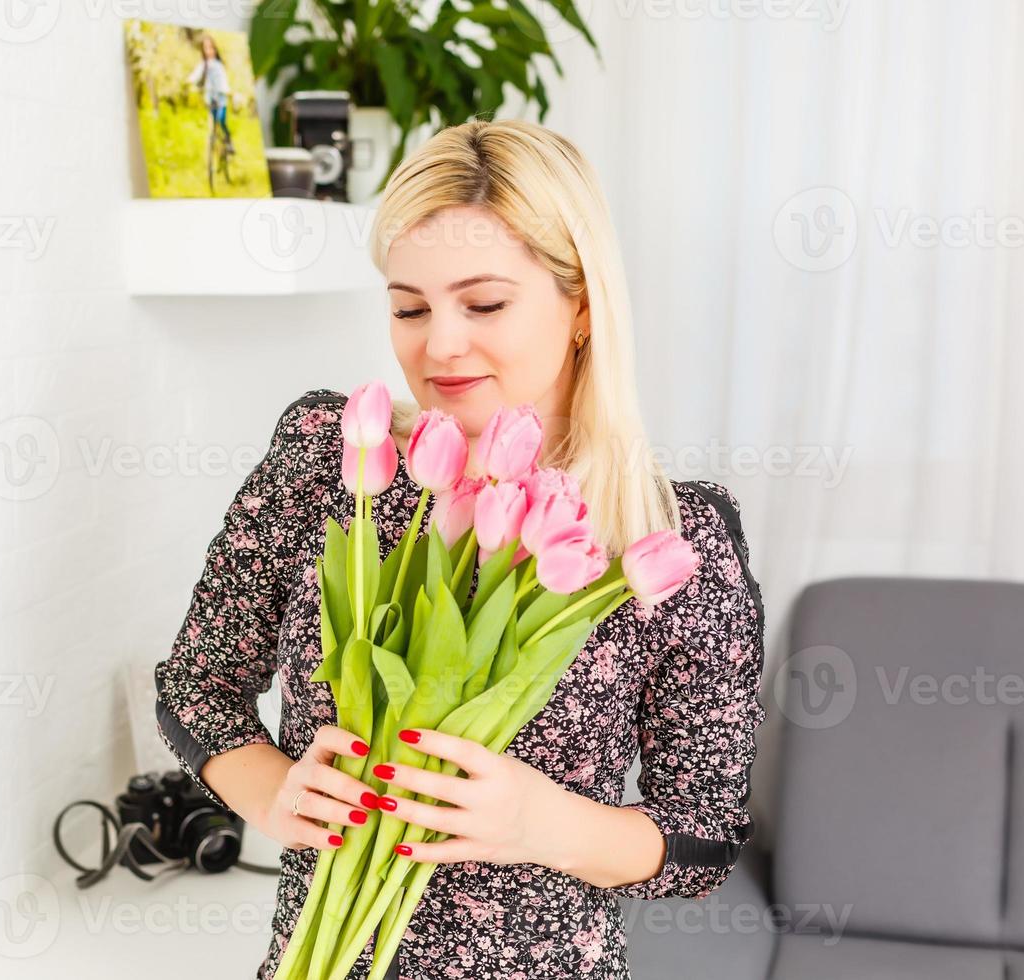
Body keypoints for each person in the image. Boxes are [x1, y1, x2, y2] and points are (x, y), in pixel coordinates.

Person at [153, 118, 767, 979]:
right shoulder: (333, 457)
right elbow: (198, 685)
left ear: (582, 302)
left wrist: (541, 823)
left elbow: (702, 839)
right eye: (408, 306)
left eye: (483, 304)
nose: (436, 344)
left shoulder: (671, 535)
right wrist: (274, 794)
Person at [186, 34, 235, 156]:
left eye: (210, 47)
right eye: (206, 48)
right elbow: (196, 74)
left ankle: (228, 142)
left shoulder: (219, 65)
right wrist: (189, 80)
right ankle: (214, 145)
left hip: (221, 97)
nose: (208, 51)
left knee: (221, 120)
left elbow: (224, 80)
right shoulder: (204, 64)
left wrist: (227, 91)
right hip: (210, 98)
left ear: (215, 49)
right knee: (213, 121)